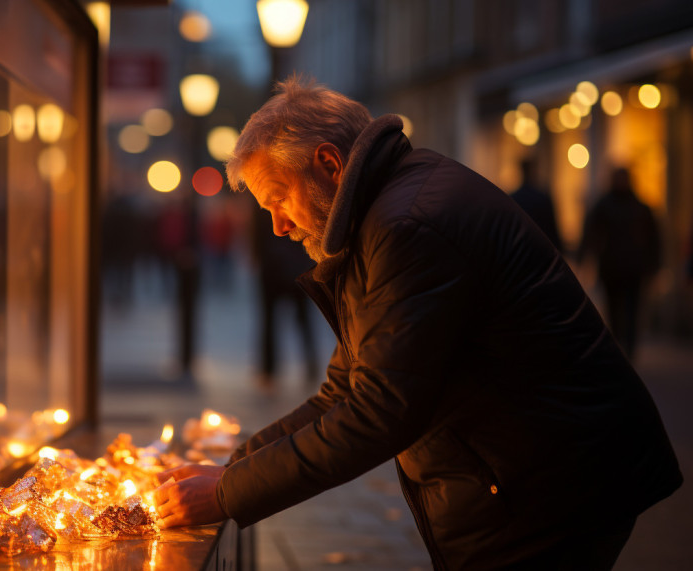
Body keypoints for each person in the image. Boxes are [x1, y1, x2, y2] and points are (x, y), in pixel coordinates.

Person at [152, 76, 682, 570]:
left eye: (280, 199)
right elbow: (345, 387)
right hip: (537, 472)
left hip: (556, 484)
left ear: (329, 164)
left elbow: (380, 410)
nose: (279, 225)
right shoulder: (382, 212)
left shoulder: (406, 226)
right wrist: (232, 470)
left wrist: (226, 492)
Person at [577, 167, 662, 359]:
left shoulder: (639, 207)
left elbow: (653, 239)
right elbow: (591, 233)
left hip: (633, 268)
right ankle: (619, 346)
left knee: (632, 310)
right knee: (614, 310)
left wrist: (654, 265)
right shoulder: (606, 205)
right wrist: (584, 258)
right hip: (612, 268)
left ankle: (629, 349)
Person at [251, 205, 318, 388]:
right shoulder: (290, 197)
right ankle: (310, 365)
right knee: (302, 321)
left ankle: (269, 370)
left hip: (275, 268)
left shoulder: (263, 202)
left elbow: (256, 235)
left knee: (272, 322)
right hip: (293, 267)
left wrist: (257, 257)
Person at [510, 157, 563, 253]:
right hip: (540, 249)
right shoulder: (543, 198)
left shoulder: (514, 198)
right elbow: (552, 227)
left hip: (521, 249)